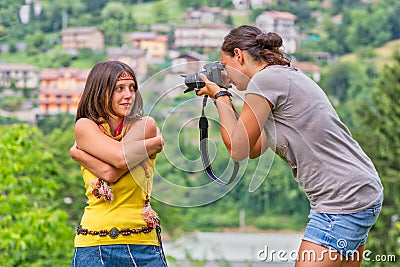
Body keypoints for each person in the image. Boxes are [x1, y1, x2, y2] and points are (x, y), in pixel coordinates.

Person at [195, 25, 383, 267]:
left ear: (239, 55)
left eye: (225, 65)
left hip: (342, 198)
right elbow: (252, 148)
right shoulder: (280, 77)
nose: (225, 75)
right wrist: (223, 98)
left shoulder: (265, 80)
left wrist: (220, 96)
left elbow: (237, 149)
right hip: (356, 189)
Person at [69, 60, 167, 267]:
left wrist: (80, 154)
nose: (128, 95)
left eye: (132, 88)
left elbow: (117, 162)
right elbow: (115, 166)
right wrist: (153, 144)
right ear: (100, 92)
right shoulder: (85, 127)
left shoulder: (145, 125)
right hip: (94, 245)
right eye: (119, 89)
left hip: (143, 245)